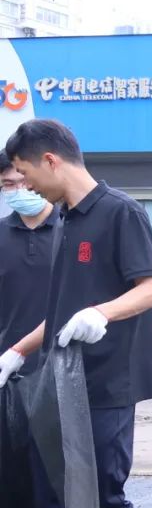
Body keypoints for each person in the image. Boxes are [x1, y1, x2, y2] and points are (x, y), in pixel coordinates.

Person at [0, 119, 152, 508]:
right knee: (54, 500)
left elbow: (149, 288)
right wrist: (17, 351)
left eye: (24, 173)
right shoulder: (66, 222)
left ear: (50, 160)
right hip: (58, 382)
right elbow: (59, 311)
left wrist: (103, 313)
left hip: (109, 382)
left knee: (103, 496)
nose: (24, 186)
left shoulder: (121, 212)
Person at [0, 151, 58, 376]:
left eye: (24, 181)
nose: (19, 190)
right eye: (9, 184)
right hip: (7, 366)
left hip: (63, 365)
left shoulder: (72, 229)